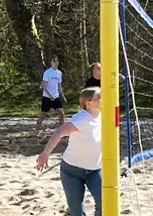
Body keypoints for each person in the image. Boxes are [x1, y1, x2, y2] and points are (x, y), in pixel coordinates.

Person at [36, 87, 102, 216]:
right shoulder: (81, 118)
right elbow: (59, 132)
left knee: (105, 203)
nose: (103, 99)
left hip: (95, 170)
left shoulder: (104, 116)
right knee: (77, 212)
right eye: (99, 97)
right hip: (72, 171)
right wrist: (45, 153)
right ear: (88, 103)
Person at [36, 57, 66, 129]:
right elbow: (44, 86)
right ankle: (36, 130)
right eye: (54, 61)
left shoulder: (59, 73)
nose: (56, 62)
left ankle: (61, 131)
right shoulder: (47, 73)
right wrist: (50, 96)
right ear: (51, 62)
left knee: (61, 113)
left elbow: (59, 86)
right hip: (47, 97)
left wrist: (63, 97)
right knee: (43, 115)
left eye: (57, 61)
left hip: (55, 97)